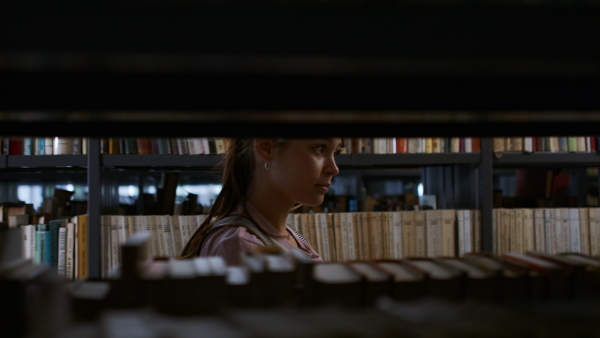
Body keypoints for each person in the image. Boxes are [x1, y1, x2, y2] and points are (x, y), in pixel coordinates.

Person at [180, 137, 343, 265]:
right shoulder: (241, 245)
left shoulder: (284, 233)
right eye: (320, 148)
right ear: (267, 149)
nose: (334, 169)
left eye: (335, 152)